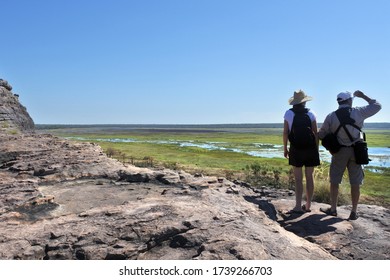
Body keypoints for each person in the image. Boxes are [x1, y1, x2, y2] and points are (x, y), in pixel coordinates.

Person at [318, 90, 382, 220]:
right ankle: (353, 212)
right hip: (357, 151)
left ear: (339, 102)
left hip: (339, 152)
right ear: (349, 101)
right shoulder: (358, 112)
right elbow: (377, 106)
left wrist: (330, 147)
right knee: (355, 182)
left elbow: (321, 134)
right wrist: (363, 96)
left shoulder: (331, 116)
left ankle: (333, 209)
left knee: (335, 181)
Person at [283, 90, 320, 214]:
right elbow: (316, 133)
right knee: (310, 177)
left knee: (298, 179)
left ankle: (298, 206)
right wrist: (316, 149)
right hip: (310, 149)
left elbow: (285, 132)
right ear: (305, 101)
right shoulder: (311, 113)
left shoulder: (288, 113)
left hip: (296, 148)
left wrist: (285, 148)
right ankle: (308, 205)